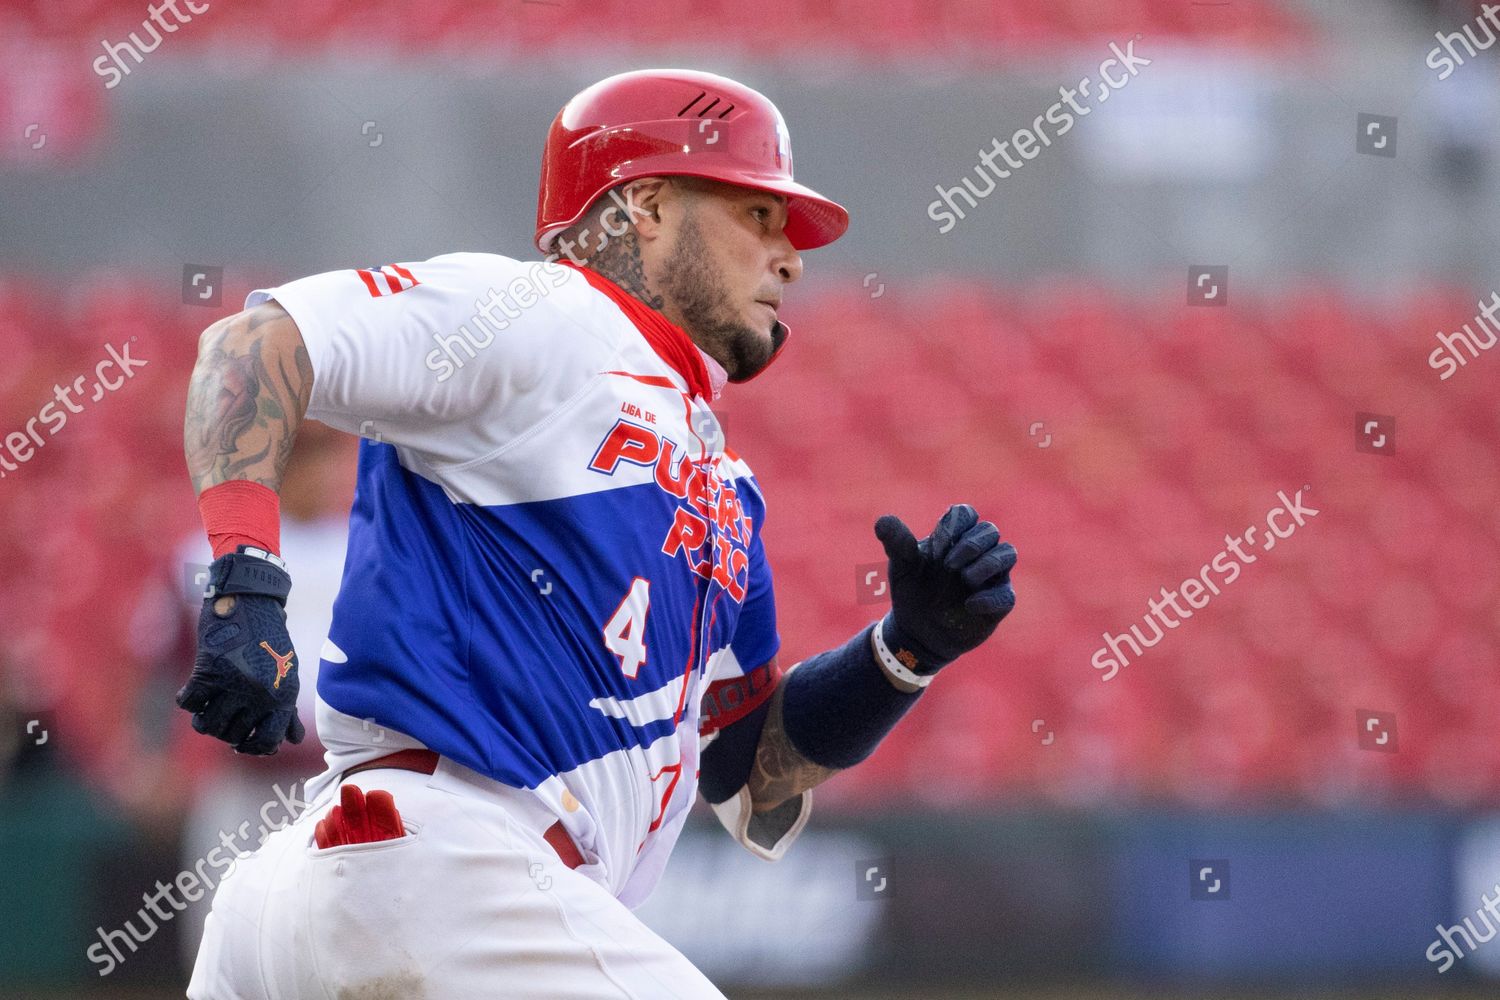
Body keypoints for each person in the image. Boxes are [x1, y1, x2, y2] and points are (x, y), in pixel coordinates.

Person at [178, 68, 1017, 999]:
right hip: (440, 861)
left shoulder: (722, 485)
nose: (791, 257)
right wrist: (243, 574)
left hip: (340, 888)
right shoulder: (538, 317)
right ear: (645, 206)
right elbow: (253, 347)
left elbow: (749, 776)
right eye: (757, 214)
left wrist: (903, 654)